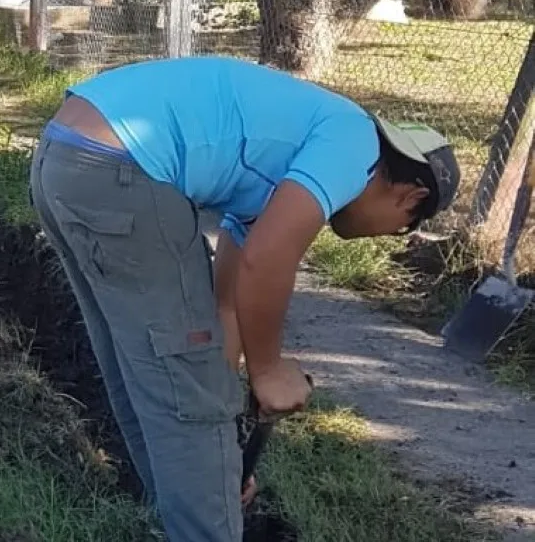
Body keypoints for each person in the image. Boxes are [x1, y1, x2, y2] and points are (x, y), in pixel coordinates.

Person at [28, 55, 460, 542]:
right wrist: (268, 370)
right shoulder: (355, 142)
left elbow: (227, 306)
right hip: (123, 167)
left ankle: (180, 509)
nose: (386, 235)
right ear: (408, 198)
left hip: (66, 156)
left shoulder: (282, 172)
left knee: (149, 365)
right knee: (178, 372)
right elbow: (269, 258)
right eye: (400, 230)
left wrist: (223, 454)